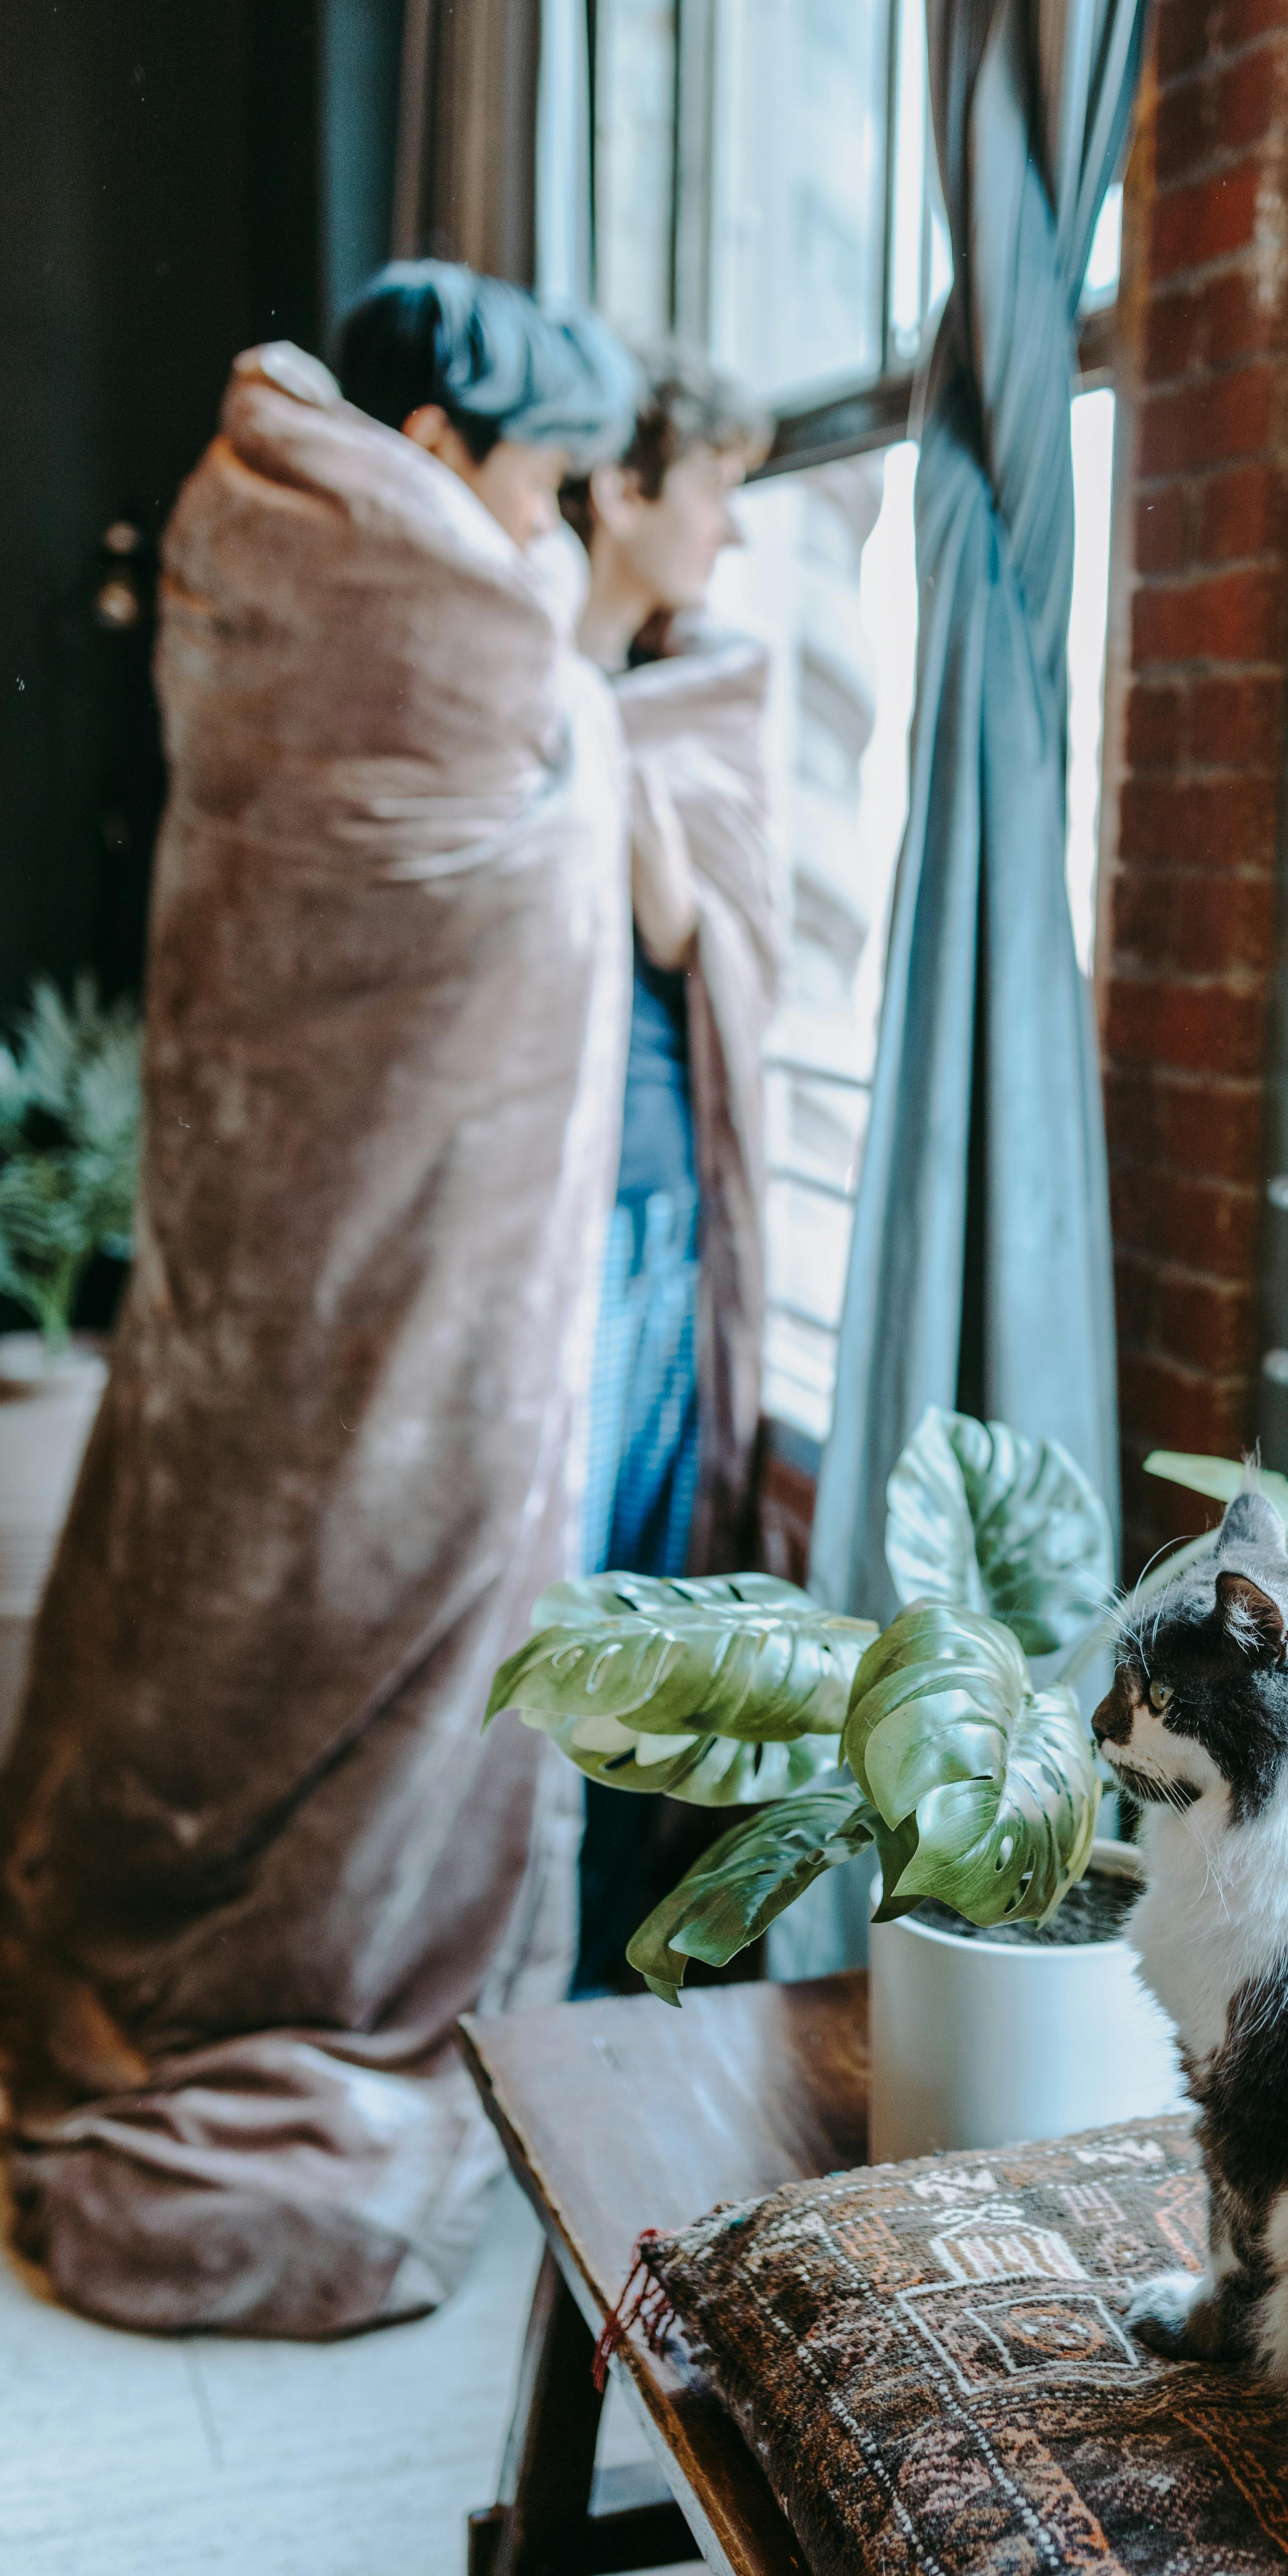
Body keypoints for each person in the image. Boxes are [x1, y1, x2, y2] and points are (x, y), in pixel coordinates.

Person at [0, 264, 637, 2336]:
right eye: (550, 477)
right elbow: (511, 755)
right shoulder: (415, 603)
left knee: (209, 1572)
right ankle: (272, 1975)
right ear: (441, 455)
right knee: (350, 1571)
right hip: (395, 1252)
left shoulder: (257, 538)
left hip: (259, 1236)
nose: (562, 527)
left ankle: (124, 1928)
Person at [560, 347, 781, 1993]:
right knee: (539, 1574)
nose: (730, 526)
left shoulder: (698, 686)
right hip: (537, 1195)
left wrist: (605, 735)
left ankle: (574, 1959)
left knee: (618, 1596)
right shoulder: (515, 662)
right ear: (622, 494)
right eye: (711, 486)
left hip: (650, 1188)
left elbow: (686, 925)